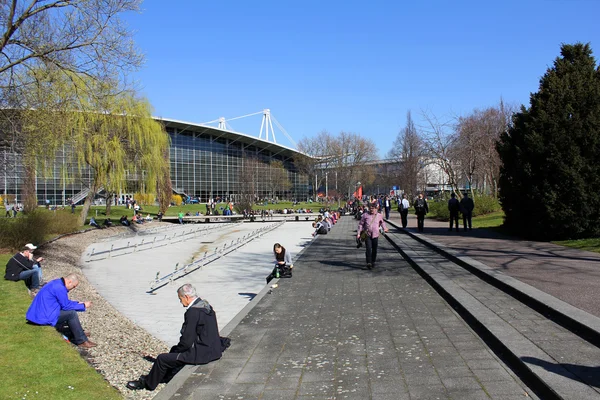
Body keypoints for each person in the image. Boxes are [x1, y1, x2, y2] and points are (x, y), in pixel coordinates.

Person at [126, 284, 226, 391]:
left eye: (180, 299)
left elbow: (187, 341)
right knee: (173, 352)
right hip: (214, 349)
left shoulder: (193, 312)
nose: (180, 302)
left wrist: (178, 351)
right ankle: (166, 376)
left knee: (162, 359)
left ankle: (147, 384)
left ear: (186, 297)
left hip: (203, 354)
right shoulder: (206, 306)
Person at [25, 274, 96, 348]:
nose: (73, 288)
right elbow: (66, 306)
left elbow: (64, 302)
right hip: (43, 317)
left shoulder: (56, 283)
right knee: (71, 314)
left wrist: (78, 303)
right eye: (74, 286)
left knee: (68, 312)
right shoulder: (60, 288)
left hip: (37, 314)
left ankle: (78, 333)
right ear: (69, 282)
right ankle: (81, 341)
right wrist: (83, 306)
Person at [356, 202, 388, 269]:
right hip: (367, 234)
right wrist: (358, 233)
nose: (371, 210)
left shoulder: (379, 215)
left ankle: (373, 261)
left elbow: (382, 222)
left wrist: (385, 228)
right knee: (368, 249)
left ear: (375, 208)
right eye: (370, 208)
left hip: (375, 235)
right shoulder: (365, 215)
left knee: (374, 249)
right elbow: (361, 224)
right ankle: (369, 262)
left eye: (373, 208)